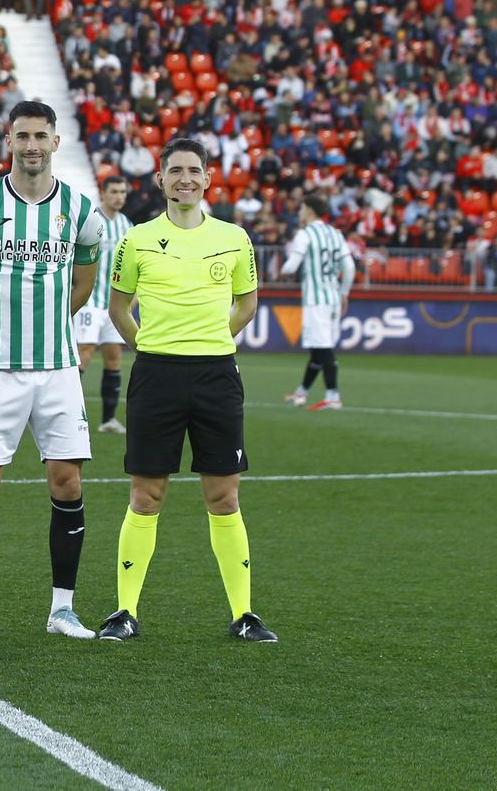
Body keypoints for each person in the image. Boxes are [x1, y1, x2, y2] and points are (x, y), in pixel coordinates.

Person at [99, 137, 276, 643]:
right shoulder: (137, 239)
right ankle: (124, 612)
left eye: (193, 171)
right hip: (156, 374)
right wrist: (149, 347)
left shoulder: (234, 238)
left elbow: (247, 305)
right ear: (160, 179)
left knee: (223, 495)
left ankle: (244, 614)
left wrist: (214, 340)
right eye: (174, 171)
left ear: (208, 178)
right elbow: (118, 307)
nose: (184, 179)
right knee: (146, 493)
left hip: (217, 374)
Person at [0, 101, 105, 640]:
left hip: (58, 368)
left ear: (56, 142)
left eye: (41, 135)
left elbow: (84, 280)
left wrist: (54, 320)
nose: (31, 145)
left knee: (67, 481)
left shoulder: (82, 213)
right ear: (7, 142)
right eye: (22, 136)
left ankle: (63, 610)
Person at [282, 193, 355, 410]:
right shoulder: (335, 234)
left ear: (310, 211)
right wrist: (344, 293)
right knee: (318, 348)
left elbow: (291, 266)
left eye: (302, 208)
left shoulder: (304, 235)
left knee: (323, 347)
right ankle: (301, 393)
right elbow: (349, 267)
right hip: (333, 297)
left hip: (316, 299)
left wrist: (281, 272)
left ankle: (333, 396)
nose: (299, 212)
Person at [76, 175, 134, 433]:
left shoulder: (128, 226)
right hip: (90, 302)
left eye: (123, 192)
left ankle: (108, 420)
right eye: (114, 191)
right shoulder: (91, 221)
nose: (119, 196)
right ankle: (67, 413)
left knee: (113, 358)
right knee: (85, 353)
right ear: (103, 193)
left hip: (115, 306)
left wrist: (132, 300)